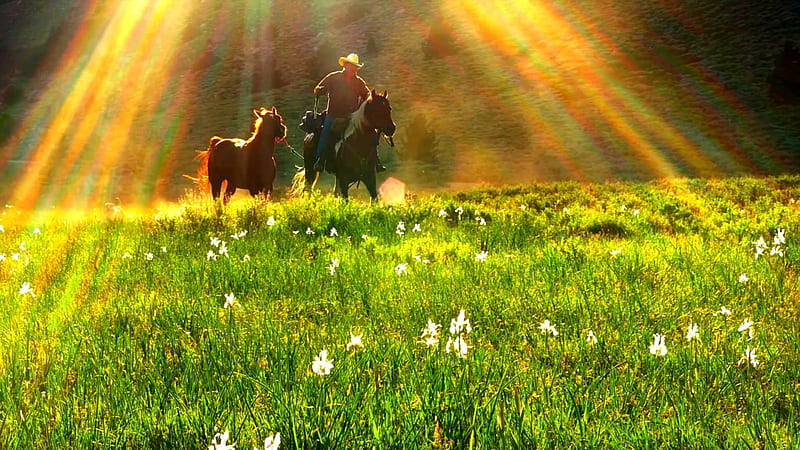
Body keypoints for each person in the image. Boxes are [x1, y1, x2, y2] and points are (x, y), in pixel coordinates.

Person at [313, 53, 386, 172]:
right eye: (352, 66)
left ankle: (375, 160)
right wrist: (320, 90)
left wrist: (370, 98)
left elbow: (367, 94)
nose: (354, 69)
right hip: (333, 114)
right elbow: (317, 88)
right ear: (346, 65)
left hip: (352, 116)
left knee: (370, 133)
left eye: (356, 67)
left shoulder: (359, 82)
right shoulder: (333, 77)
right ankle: (320, 160)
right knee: (325, 133)